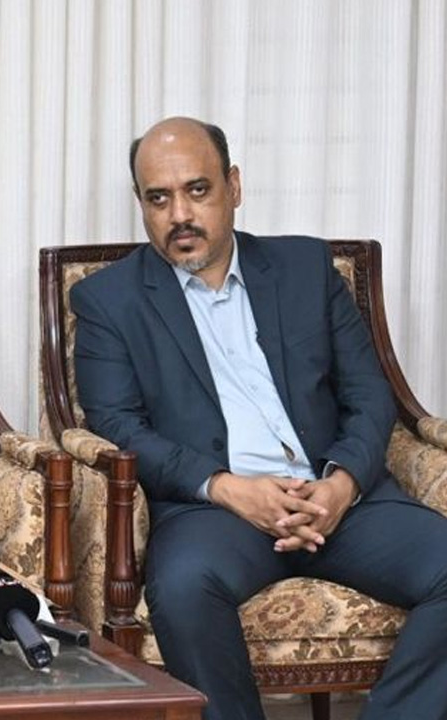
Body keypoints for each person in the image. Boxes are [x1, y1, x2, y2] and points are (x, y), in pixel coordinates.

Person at [71, 117, 447, 720]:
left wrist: (342, 484)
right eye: (158, 199)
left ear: (235, 186)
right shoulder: (108, 300)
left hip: (338, 500)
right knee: (183, 588)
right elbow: (119, 425)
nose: (180, 215)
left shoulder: (305, 268)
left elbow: (369, 394)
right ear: (140, 203)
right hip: (215, 512)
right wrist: (226, 488)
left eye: (198, 190)